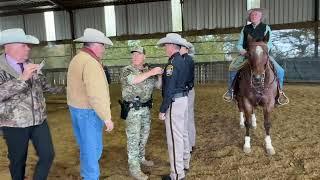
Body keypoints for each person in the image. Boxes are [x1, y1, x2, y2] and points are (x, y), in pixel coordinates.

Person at [0, 28, 61, 180]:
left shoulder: (30, 64)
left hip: (39, 120)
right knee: (17, 161)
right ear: (9, 46)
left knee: (48, 155)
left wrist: (66, 88)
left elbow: (45, 86)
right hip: (14, 124)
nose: (28, 48)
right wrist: (22, 78)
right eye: (23, 45)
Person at [67, 28, 114, 180]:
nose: (104, 50)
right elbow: (96, 94)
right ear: (95, 45)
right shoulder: (91, 63)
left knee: (86, 147)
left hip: (76, 109)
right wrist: (106, 117)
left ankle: (86, 175)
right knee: (93, 150)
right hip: (88, 112)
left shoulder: (77, 59)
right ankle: (90, 177)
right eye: (103, 46)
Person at [223, 8, 288, 105]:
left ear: (260, 17)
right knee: (233, 69)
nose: (254, 16)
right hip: (247, 55)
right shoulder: (245, 29)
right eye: (252, 15)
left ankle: (279, 93)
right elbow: (239, 44)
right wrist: (243, 51)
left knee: (280, 71)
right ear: (249, 17)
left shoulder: (266, 28)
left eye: (256, 15)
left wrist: (263, 53)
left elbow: (269, 44)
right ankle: (231, 92)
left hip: (262, 55)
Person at [120, 46, 162, 180]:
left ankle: (141, 158)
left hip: (145, 109)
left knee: (144, 136)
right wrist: (151, 72)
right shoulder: (127, 70)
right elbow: (134, 80)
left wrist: (159, 76)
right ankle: (134, 169)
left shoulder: (147, 70)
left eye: (138, 54)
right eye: (133, 54)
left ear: (144, 56)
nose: (135, 56)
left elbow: (158, 86)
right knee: (133, 139)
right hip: (132, 110)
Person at [157, 33, 190, 180]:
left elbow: (169, 89)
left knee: (174, 139)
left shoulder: (172, 63)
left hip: (174, 102)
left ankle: (177, 174)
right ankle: (184, 163)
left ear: (171, 46)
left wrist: (163, 109)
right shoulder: (184, 60)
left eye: (166, 45)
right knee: (182, 134)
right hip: (183, 98)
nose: (165, 47)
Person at [180, 42, 196, 157]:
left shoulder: (185, 59)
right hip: (189, 90)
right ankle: (191, 142)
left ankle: (188, 145)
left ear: (185, 48)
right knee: (189, 116)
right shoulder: (188, 59)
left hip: (186, 91)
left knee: (186, 117)